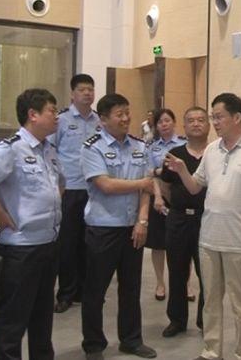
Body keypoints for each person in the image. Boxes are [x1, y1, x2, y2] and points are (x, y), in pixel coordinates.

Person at [165, 92, 241, 360]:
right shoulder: (212, 150)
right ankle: (212, 351)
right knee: (210, 302)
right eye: (213, 117)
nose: (214, 122)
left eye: (218, 117)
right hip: (209, 238)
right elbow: (195, 187)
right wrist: (181, 170)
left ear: (236, 117)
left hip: (239, 240)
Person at [0, 88, 64, 360]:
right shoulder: (10, 149)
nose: (57, 116)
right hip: (21, 249)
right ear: (33, 115)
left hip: (48, 243)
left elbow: (60, 183)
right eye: (52, 111)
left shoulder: (49, 150)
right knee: (13, 319)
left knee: (42, 317)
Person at [80, 93, 157, 359]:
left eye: (127, 112)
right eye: (119, 114)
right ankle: (93, 345)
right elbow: (105, 184)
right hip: (103, 228)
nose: (125, 118)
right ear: (103, 120)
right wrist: (141, 184)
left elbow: (147, 190)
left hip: (132, 228)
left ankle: (131, 340)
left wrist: (142, 221)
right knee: (96, 290)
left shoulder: (140, 146)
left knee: (131, 288)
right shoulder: (92, 147)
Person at [155, 106, 209, 338]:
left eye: (201, 120)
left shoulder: (215, 153)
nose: (196, 124)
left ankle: (206, 321)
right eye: (191, 120)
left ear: (208, 125)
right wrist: (178, 203)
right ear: (184, 126)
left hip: (207, 220)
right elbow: (165, 185)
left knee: (207, 273)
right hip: (178, 219)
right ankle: (177, 320)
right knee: (177, 270)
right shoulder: (174, 154)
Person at [53, 73, 101, 314]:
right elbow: (50, 151)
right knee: (68, 243)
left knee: (89, 243)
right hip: (70, 189)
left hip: (95, 189)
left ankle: (84, 291)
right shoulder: (61, 120)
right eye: (82, 89)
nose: (87, 93)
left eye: (90, 89)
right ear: (72, 94)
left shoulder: (99, 121)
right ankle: (66, 293)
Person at [146, 108, 187, 301]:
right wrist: (157, 197)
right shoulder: (151, 147)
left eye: (167, 120)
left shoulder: (184, 144)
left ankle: (186, 284)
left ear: (174, 122)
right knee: (158, 244)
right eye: (160, 122)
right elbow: (149, 173)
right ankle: (160, 283)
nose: (164, 124)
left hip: (180, 198)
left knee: (183, 244)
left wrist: (159, 170)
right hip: (159, 198)